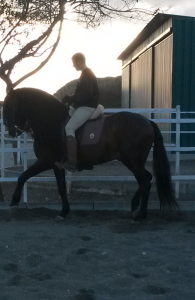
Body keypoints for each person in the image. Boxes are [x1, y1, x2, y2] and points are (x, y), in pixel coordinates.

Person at [56, 52, 99, 172]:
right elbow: (82, 94)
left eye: (74, 63)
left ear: (79, 62)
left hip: (87, 107)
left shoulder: (87, 75)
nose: (73, 65)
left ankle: (72, 163)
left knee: (69, 128)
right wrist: (71, 99)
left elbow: (87, 94)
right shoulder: (84, 74)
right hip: (82, 106)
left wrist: (72, 98)